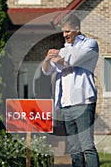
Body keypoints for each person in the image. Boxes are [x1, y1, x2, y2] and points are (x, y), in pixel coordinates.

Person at [42, 14, 100, 167]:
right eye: (63, 32)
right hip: (66, 104)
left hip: (83, 102)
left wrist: (58, 59)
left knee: (87, 146)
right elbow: (47, 71)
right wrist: (48, 59)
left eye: (67, 31)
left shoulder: (90, 44)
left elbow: (71, 62)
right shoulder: (63, 49)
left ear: (77, 29)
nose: (64, 35)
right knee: (74, 149)